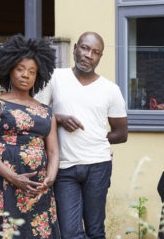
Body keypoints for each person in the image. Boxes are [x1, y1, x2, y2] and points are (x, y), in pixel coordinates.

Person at [35, 31, 128, 239]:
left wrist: (96, 138)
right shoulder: (54, 77)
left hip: (98, 165)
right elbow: (37, 115)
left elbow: (121, 134)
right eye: (85, 48)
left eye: (95, 52)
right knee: (69, 233)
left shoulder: (110, 89)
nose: (88, 55)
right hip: (64, 167)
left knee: (95, 231)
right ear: (76, 47)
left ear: (100, 57)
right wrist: (58, 118)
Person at [0, 34, 60, 238]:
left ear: (38, 75)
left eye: (32, 71)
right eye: (20, 69)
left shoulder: (46, 112)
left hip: (36, 188)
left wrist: (49, 179)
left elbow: (53, 151)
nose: (26, 75)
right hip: (3, 183)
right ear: (9, 70)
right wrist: (14, 178)